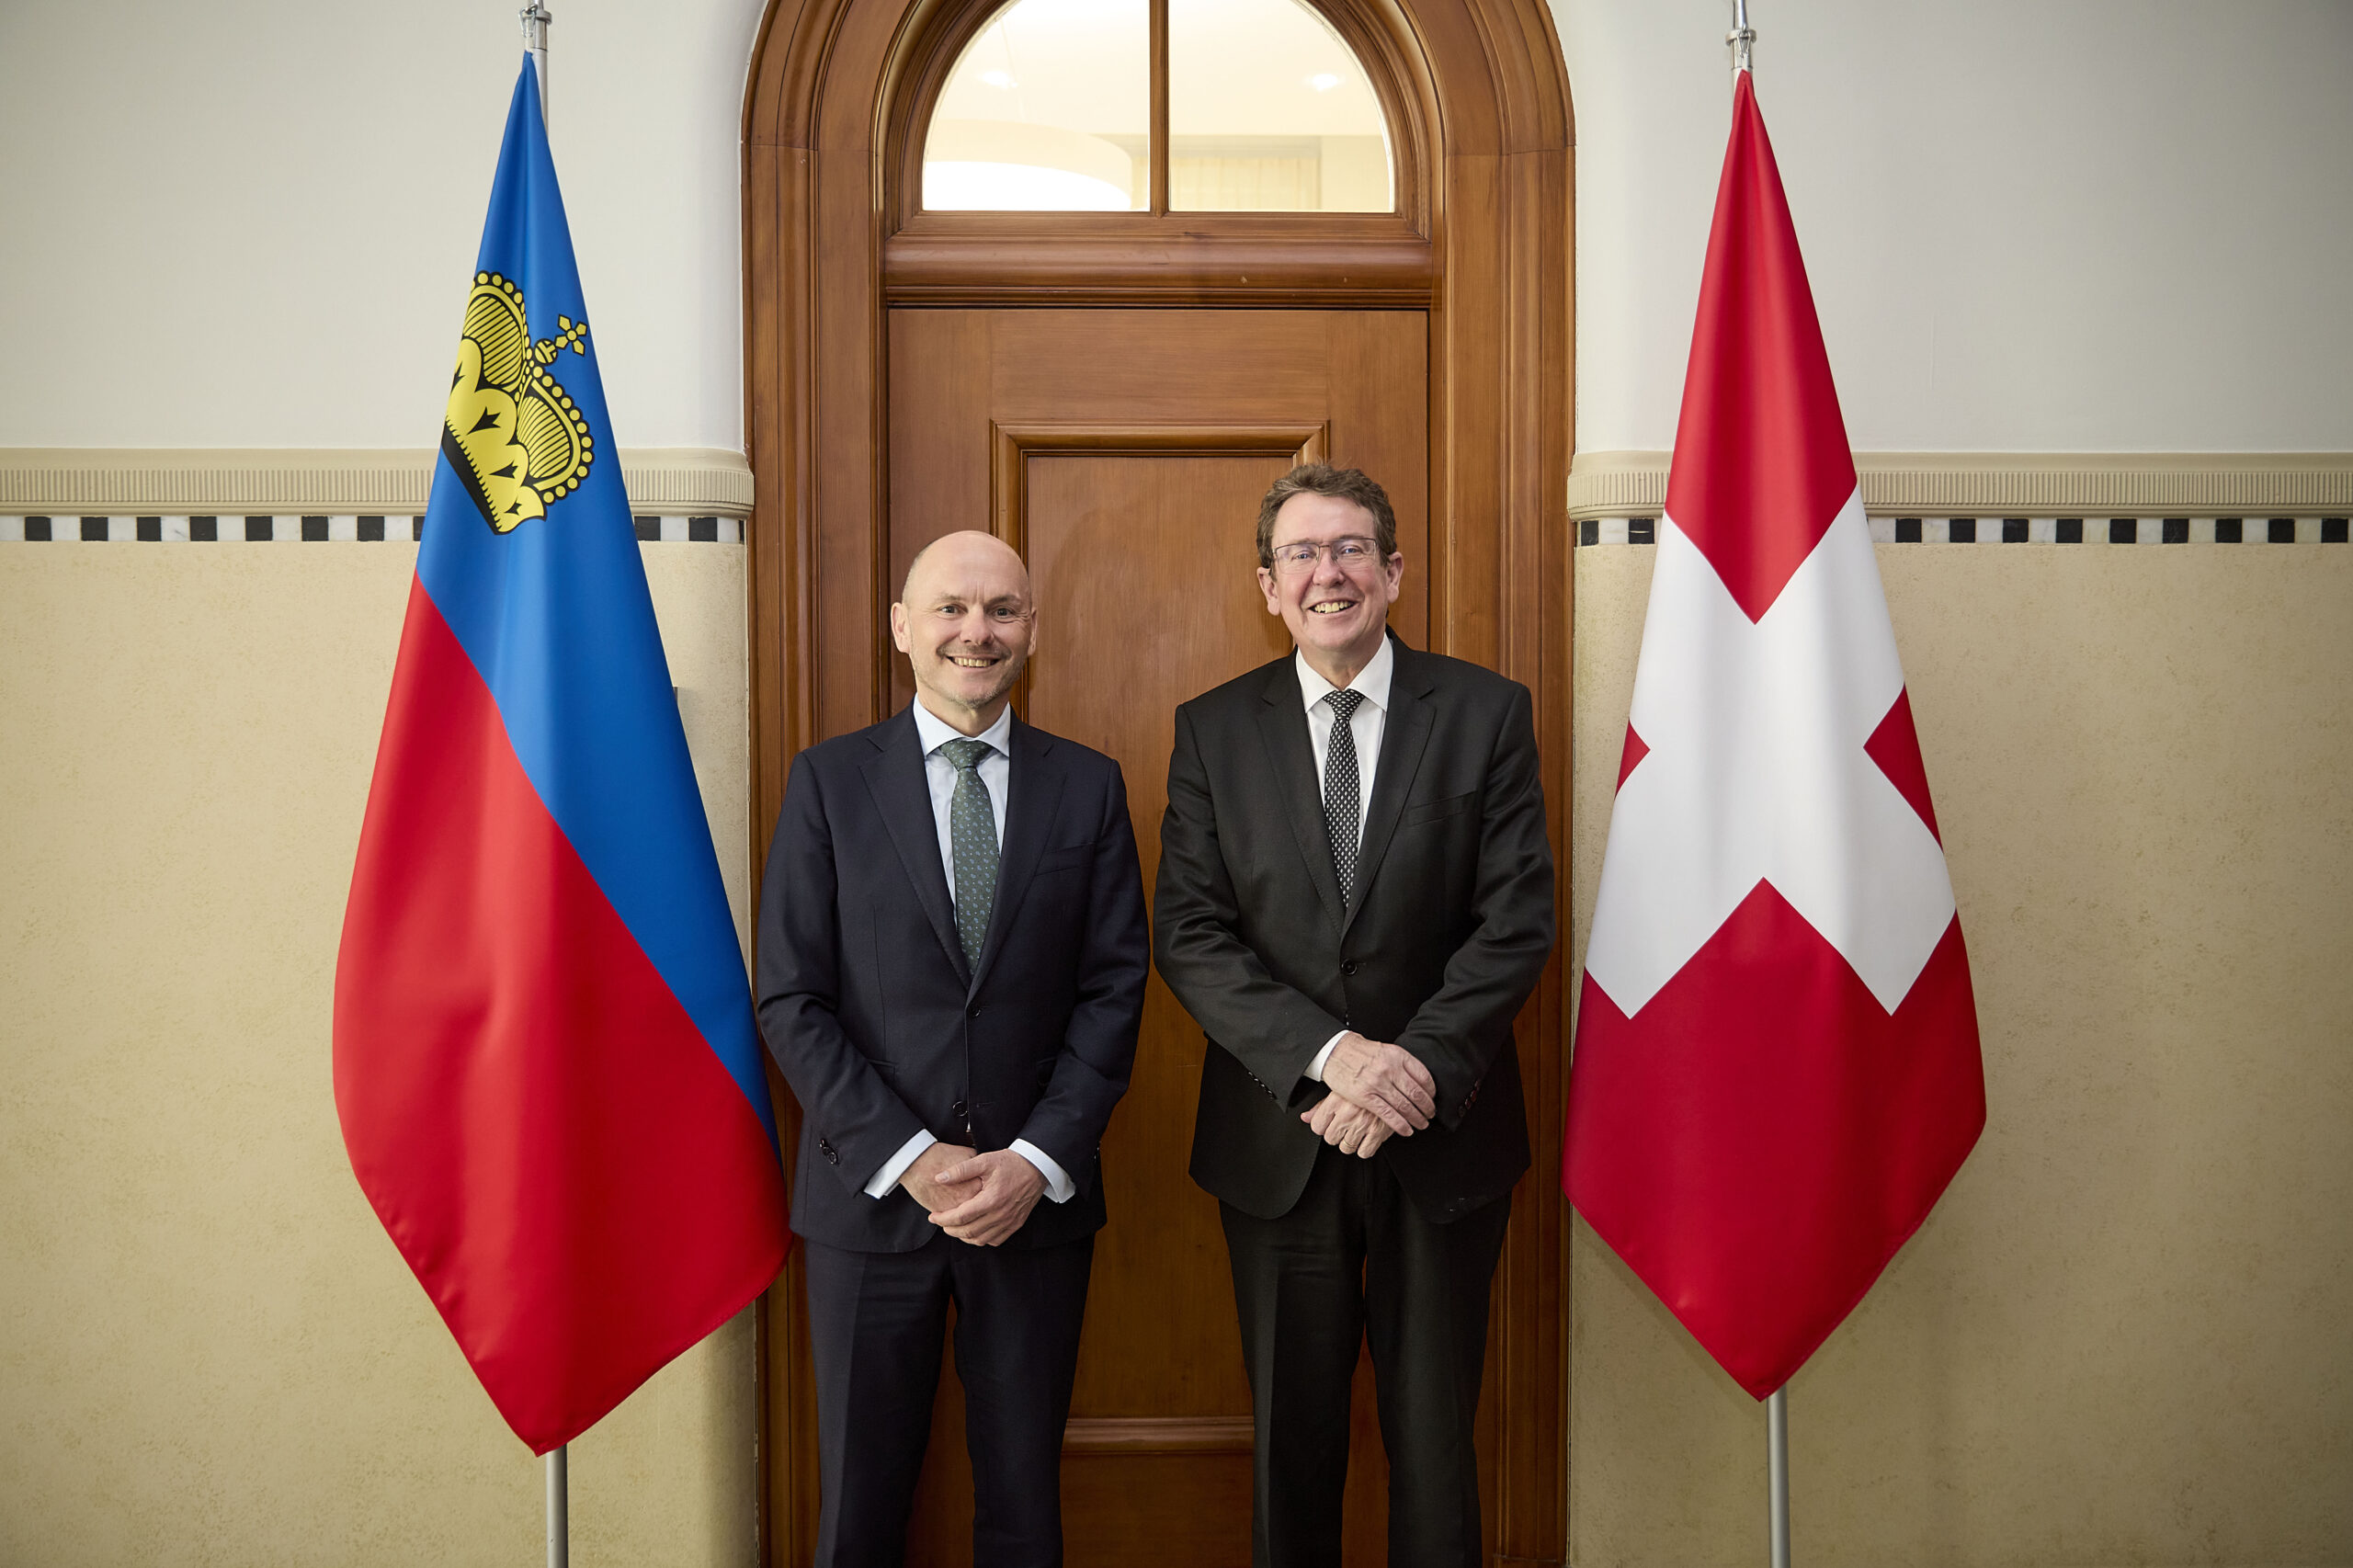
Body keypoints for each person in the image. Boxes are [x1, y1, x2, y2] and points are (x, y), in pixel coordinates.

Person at [1154, 464, 1556, 1568]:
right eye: (1301, 554)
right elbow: (1190, 934)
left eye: (1348, 549)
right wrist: (1333, 1062)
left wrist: (1412, 1066)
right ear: (1267, 585)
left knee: (1436, 1446)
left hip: (1445, 1138)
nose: (1326, 572)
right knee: (1293, 1446)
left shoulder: (1483, 712)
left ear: (1391, 570)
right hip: (1278, 1142)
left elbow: (1515, 917)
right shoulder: (1211, 730)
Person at [756, 529, 1148, 1568]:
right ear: (902, 626)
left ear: (1031, 629)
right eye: (950, 607)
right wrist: (909, 1155)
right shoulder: (829, 782)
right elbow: (791, 997)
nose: (977, 631)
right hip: (869, 1202)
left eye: (1003, 609)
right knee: (859, 1506)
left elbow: (1114, 992)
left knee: (1023, 1504)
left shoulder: (1089, 787)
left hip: (1033, 1205)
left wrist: (1035, 1161)